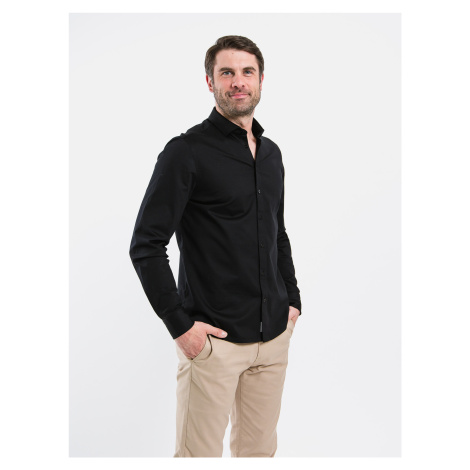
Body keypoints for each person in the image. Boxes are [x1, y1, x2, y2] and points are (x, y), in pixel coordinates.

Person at [129, 35, 302, 458]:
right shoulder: (185, 152)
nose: (238, 82)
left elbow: (277, 232)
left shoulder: (272, 154)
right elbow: (146, 244)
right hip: (213, 343)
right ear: (210, 82)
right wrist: (180, 327)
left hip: (273, 338)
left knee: (259, 456)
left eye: (247, 72)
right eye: (227, 73)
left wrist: (292, 299)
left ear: (261, 80)